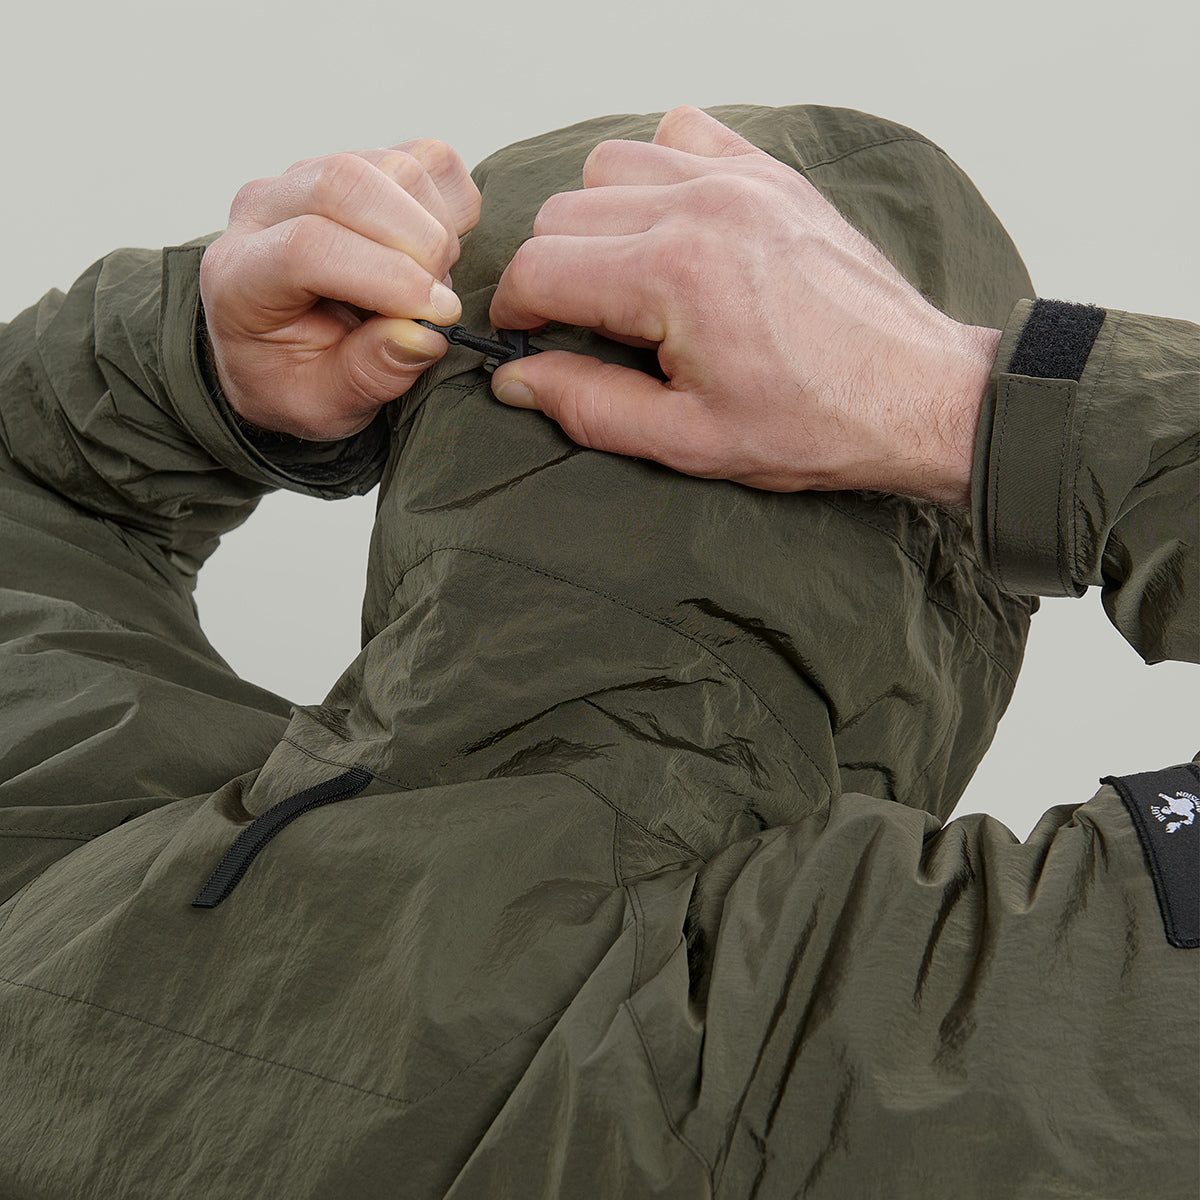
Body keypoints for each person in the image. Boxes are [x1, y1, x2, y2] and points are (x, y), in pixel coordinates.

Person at [0, 103, 1194, 1199]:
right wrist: (971, 400)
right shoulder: (874, 1026)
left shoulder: (68, 868)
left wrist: (196, 366)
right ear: (956, 590)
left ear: (425, 441)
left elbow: (30, 492)